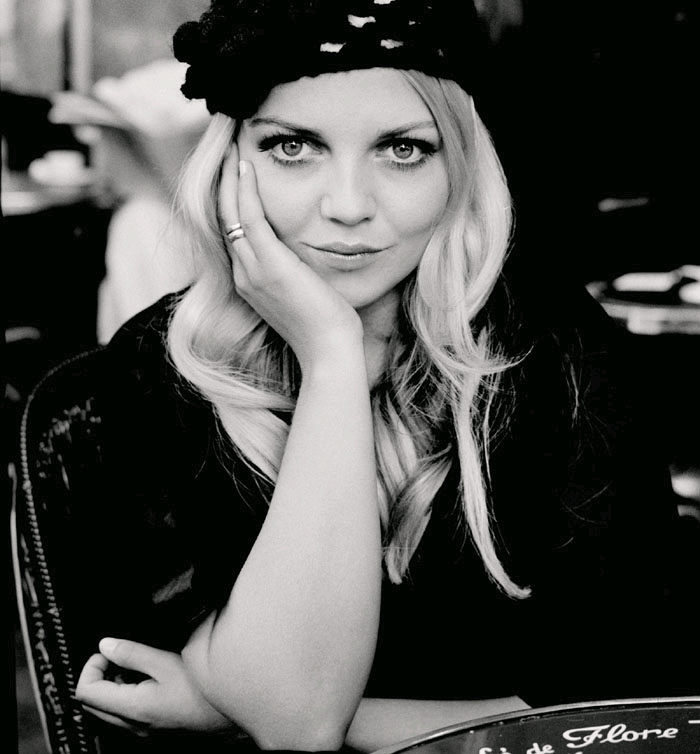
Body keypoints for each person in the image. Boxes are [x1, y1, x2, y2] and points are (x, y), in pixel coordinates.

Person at [71, 1, 697, 752]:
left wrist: (232, 706)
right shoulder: (160, 368)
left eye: (403, 149)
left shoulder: (550, 349)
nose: (347, 207)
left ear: (459, 166)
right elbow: (297, 721)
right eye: (293, 147)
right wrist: (333, 358)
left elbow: (618, 708)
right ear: (231, 163)